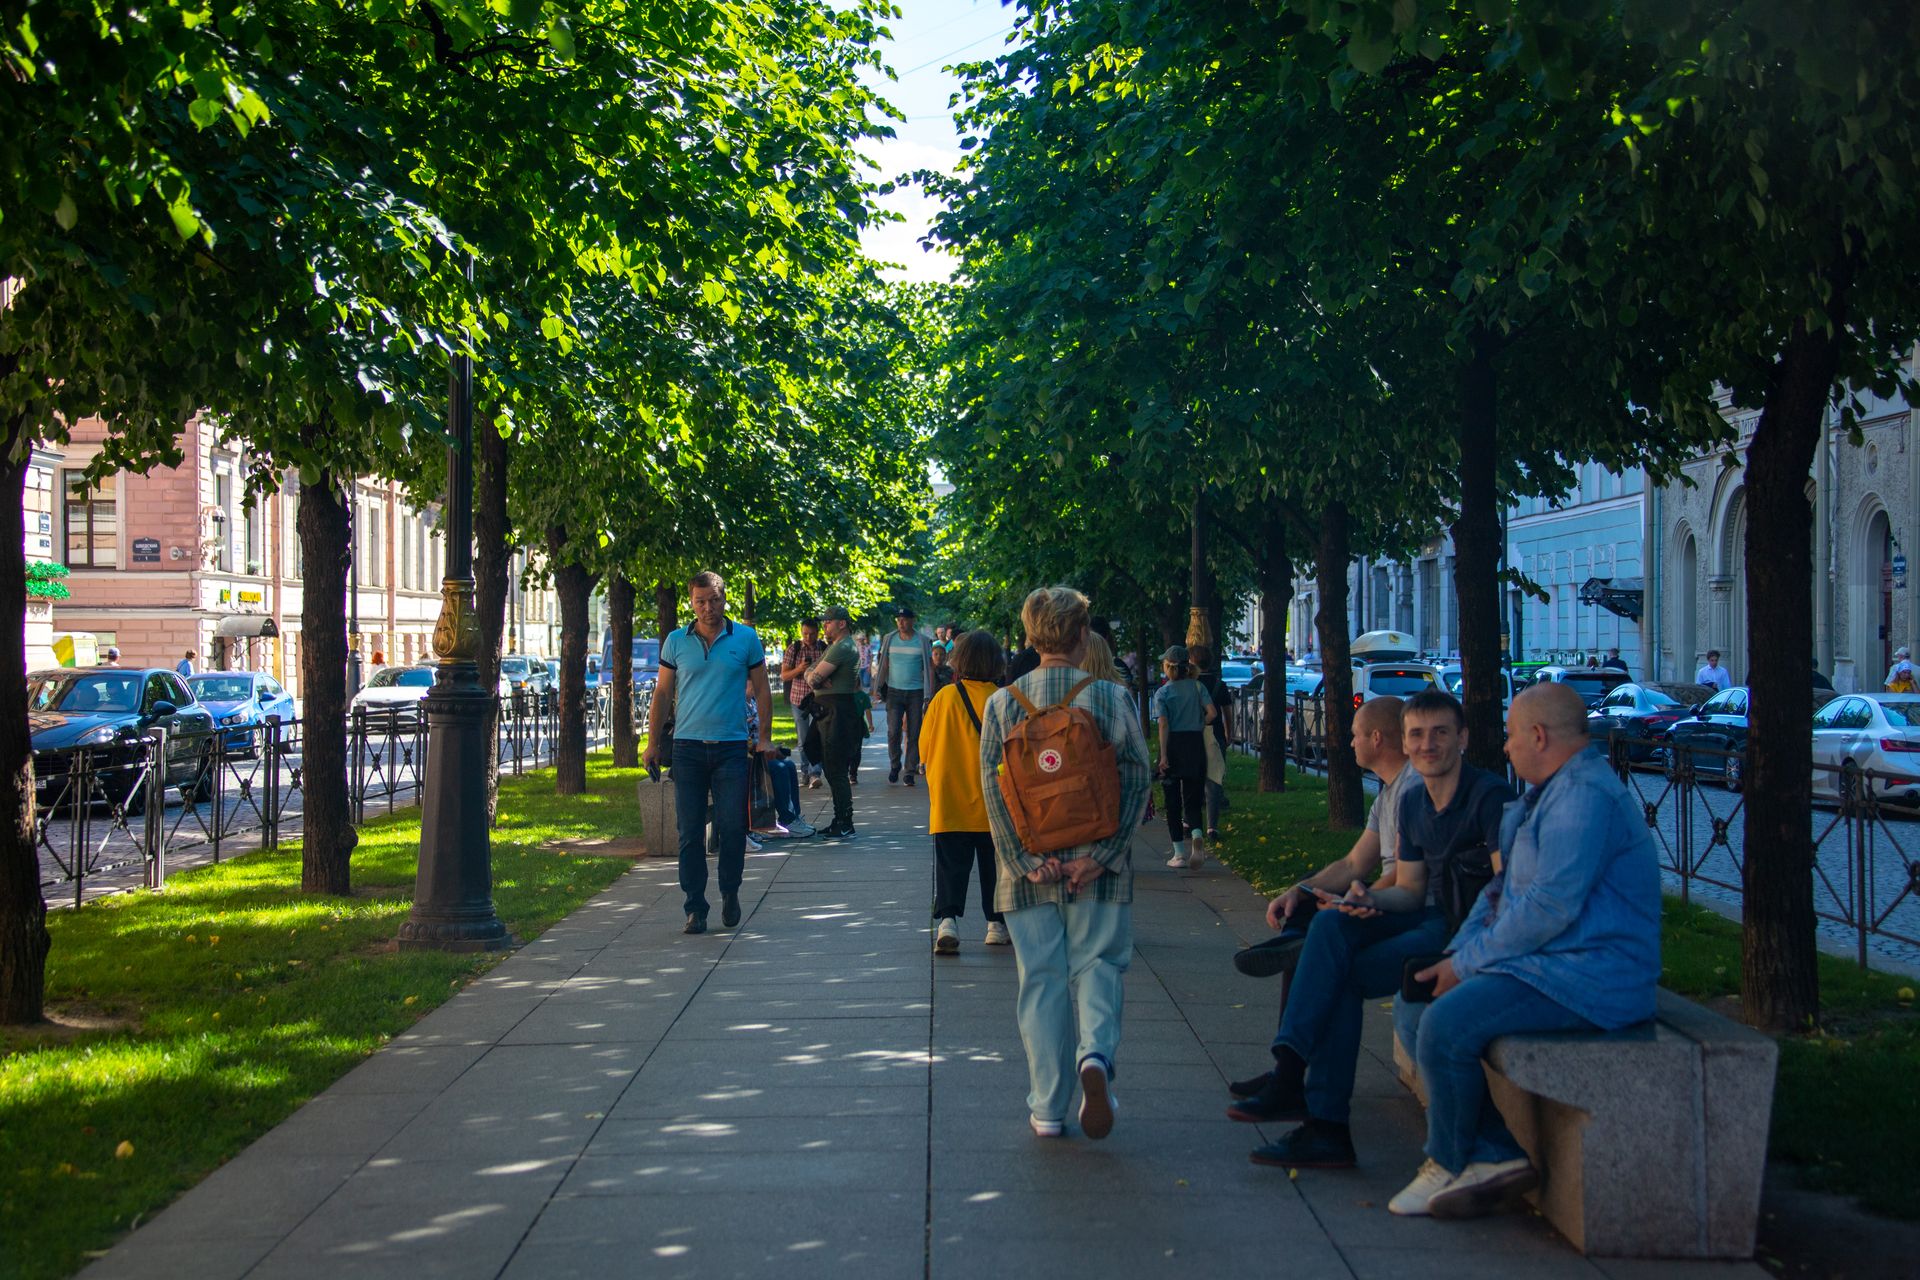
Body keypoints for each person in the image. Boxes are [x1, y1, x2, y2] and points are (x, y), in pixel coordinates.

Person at [1390, 683, 1660, 1219]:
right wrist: (1455, 958)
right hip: (1549, 965)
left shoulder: (1584, 797)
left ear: (1539, 736)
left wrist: (1465, 966)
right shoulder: (1549, 793)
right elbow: (1500, 893)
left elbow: (1548, 906)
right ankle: (1491, 1154)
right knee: (1415, 1003)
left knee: (1444, 1025)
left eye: (1512, 736)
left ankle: (1447, 1160)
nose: (1507, 747)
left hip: (1592, 980)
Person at [1232, 688, 1515, 1171]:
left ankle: (1298, 1085)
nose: (1428, 745)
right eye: (1418, 735)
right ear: (1404, 742)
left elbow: (1507, 893)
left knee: (1328, 945)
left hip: (1459, 937)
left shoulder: (1489, 798)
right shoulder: (1412, 803)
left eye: (1440, 733)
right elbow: (1405, 888)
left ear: (1463, 738)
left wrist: (1464, 956)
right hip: (1424, 919)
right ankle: (1322, 1122)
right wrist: (1364, 899)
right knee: (1331, 929)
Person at [979, 586, 1152, 1139]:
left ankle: (1047, 1108)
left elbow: (993, 789)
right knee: (1099, 964)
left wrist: (1024, 861)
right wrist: (1104, 856)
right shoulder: (1109, 698)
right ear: (1082, 637)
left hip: (1030, 869)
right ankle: (1095, 1056)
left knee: (1041, 980)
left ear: (1030, 638)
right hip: (1095, 865)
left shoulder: (1001, 704)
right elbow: (1137, 778)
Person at [1227, 696, 1414, 993]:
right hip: (1385, 898)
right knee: (1305, 894)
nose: (1351, 743)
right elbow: (1354, 863)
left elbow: (1405, 876)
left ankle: (1297, 943)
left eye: (1355, 735)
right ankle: (1292, 941)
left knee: (1323, 932)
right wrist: (1298, 891)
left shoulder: (1411, 790)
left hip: (1401, 906)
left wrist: (1356, 899)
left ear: (1376, 738)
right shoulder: (1386, 797)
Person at [642, 571, 778, 935]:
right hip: (687, 749)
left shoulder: (745, 639)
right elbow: (662, 694)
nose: (707, 608)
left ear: (724, 598)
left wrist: (763, 737)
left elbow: (763, 690)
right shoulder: (675, 641)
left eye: (714, 600)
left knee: (732, 826)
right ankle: (695, 907)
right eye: (700, 601)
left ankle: (730, 891)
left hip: (732, 748)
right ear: (691, 602)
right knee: (689, 831)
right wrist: (653, 743)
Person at [920, 631, 1010, 954]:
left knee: (950, 864)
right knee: (993, 865)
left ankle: (948, 921)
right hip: (994, 799)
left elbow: (924, 747)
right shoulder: (1003, 699)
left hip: (950, 799)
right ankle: (996, 924)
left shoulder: (944, 698)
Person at [1152, 645, 1215, 870]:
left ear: (1168, 667)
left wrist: (1164, 755)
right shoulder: (1198, 687)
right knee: (1193, 796)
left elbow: (1163, 723)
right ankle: (1197, 834)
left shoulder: (1163, 693)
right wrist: (1199, 724)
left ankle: (1178, 854)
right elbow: (1212, 713)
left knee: (1172, 801)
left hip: (1173, 745)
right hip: (1195, 743)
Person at [804, 606, 862, 839]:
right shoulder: (834, 647)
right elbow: (811, 673)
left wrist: (816, 677)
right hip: (828, 712)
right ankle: (840, 819)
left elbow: (815, 678)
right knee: (830, 766)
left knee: (835, 768)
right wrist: (814, 676)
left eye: (828, 621)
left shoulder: (843, 647)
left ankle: (845, 822)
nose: (824, 625)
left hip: (836, 714)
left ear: (842, 623)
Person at [876, 606, 935, 786]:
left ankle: (909, 770)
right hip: (894, 691)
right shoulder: (889, 639)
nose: (901, 622)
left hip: (916, 692)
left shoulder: (923, 641)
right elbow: (884, 665)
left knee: (914, 732)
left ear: (912, 620)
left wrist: (929, 693)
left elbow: (929, 668)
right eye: (898, 619)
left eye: (905, 619)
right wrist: (877, 686)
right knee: (893, 731)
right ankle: (895, 764)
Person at [1187, 643, 1236, 841]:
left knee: (1191, 778)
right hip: (1215, 734)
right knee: (1214, 779)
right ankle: (1212, 827)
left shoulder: (1190, 684)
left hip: (1192, 733)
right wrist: (1228, 733)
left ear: (1192, 662)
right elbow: (1227, 712)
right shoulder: (1219, 684)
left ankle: (1189, 821)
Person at [779, 618, 826, 788]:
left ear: (817, 633)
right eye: (805, 633)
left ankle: (815, 773)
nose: (808, 637)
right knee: (804, 738)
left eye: (812, 634)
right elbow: (784, 676)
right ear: (801, 632)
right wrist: (799, 669)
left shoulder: (823, 648)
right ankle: (805, 771)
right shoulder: (794, 648)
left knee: (818, 736)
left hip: (819, 699)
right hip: (799, 699)